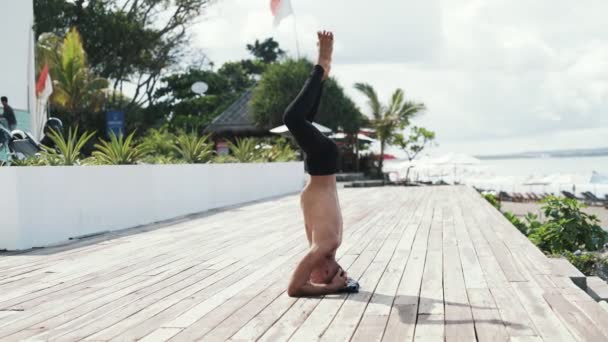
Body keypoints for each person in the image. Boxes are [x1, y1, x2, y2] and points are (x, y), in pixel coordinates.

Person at [285, 31, 359, 297]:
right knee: (292, 118)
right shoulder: (325, 244)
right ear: (326, 271)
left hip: (320, 167)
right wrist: (332, 288)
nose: (310, 275)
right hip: (324, 162)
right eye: (315, 276)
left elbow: (302, 284)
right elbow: (295, 288)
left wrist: (330, 285)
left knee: (304, 118)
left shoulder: (323, 246)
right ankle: (322, 65)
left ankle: (323, 73)